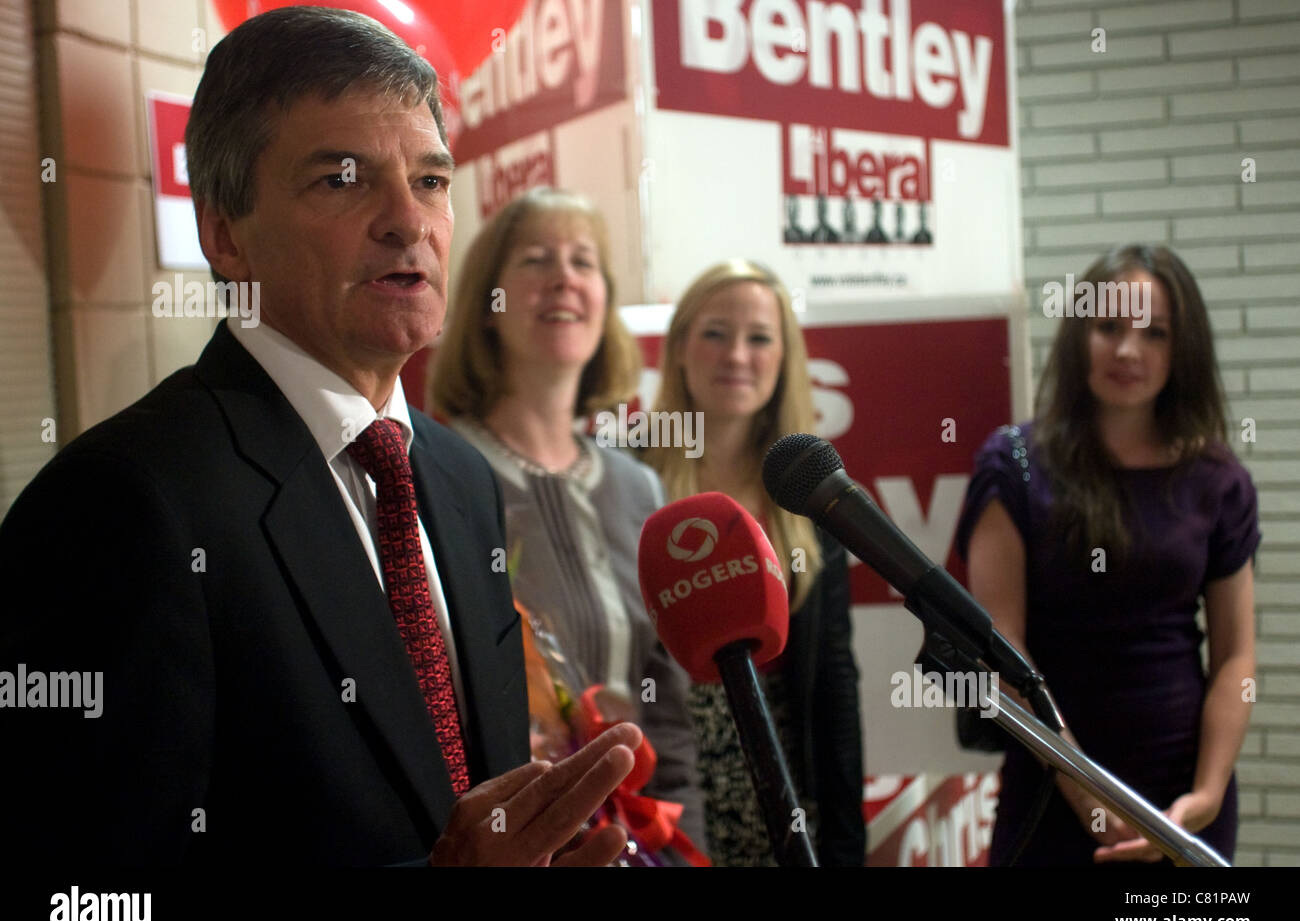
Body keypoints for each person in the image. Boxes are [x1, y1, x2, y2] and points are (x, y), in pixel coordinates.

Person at [0, 6, 641, 867]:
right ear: (225, 233)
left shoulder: (458, 476)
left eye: (432, 181)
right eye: (342, 179)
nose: (407, 222)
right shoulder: (123, 503)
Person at [955, 244, 1258, 866]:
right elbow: (1000, 657)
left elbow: (1236, 658)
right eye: (1108, 327)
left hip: (1185, 801)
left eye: (1154, 333)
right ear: (1078, 335)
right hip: (1051, 790)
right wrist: (1092, 800)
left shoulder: (1217, 478)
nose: (1127, 350)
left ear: (1184, 350)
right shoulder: (1012, 465)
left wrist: (1205, 793)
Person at [427, 187, 706, 859]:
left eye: (584, 262)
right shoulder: (434, 474)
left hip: (642, 846)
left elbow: (667, 715)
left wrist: (687, 848)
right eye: (535, 260)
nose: (564, 279)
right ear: (487, 305)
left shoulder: (639, 487)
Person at [642, 259, 865, 866]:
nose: (736, 355)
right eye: (715, 333)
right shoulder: (627, 479)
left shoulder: (810, 493)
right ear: (680, 348)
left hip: (786, 797)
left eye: (759, 337)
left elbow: (836, 683)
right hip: (662, 793)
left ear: (786, 358)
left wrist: (846, 845)